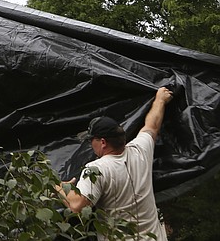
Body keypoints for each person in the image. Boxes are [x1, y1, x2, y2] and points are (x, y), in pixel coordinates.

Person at [56, 87, 174, 240]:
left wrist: (55, 185)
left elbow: (77, 206)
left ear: (103, 142)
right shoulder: (140, 150)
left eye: (92, 140)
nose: (91, 145)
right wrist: (160, 100)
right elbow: (152, 125)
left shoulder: (96, 170)